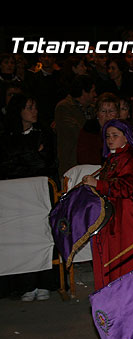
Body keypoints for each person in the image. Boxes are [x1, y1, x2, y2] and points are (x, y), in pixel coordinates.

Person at [0, 92, 57, 301]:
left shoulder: (45, 134)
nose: (34, 111)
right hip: (15, 197)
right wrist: (31, 154)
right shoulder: (7, 136)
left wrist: (23, 157)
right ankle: (25, 284)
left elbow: (45, 163)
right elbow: (6, 166)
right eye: (29, 107)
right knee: (20, 238)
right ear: (19, 111)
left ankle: (45, 283)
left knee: (43, 236)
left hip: (39, 195)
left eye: (35, 107)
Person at [81, 119, 133, 290]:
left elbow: (126, 188)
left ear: (127, 137)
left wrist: (98, 184)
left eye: (115, 135)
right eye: (107, 136)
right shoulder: (113, 158)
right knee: (108, 253)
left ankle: (125, 293)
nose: (110, 139)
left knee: (122, 255)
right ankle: (109, 291)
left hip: (122, 213)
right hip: (109, 211)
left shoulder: (130, 159)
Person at [54, 75, 97, 179]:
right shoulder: (64, 107)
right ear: (84, 92)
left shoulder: (92, 109)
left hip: (90, 161)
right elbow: (75, 132)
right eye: (92, 91)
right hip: (71, 162)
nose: (95, 95)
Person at [76, 92, 120, 165]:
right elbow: (84, 159)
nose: (107, 115)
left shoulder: (125, 131)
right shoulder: (89, 131)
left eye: (111, 111)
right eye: (103, 111)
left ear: (117, 114)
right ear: (97, 114)